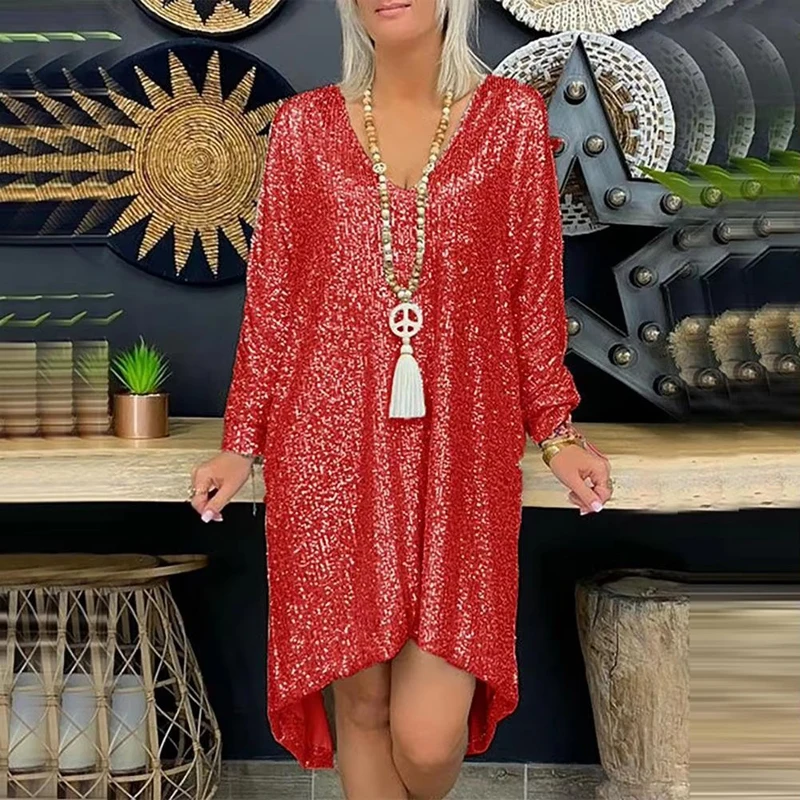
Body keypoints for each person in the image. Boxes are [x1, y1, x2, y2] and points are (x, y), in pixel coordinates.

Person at [189, 0, 613, 797]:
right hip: (329, 446)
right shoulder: (305, 128)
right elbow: (275, 299)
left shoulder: (511, 120)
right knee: (364, 704)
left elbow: (532, 290)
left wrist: (556, 430)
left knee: (426, 739)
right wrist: (241, 439)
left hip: (464, 448)